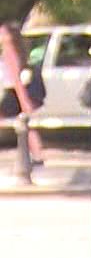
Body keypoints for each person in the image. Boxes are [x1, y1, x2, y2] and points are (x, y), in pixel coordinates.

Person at [1, 23, 48, 166]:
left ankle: (37, 154)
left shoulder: (9, 52)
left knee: (26, 126)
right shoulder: (18, 50)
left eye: (3, 33)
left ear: (9, 36)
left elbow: (16, 78)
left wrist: (24, 100)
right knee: (27, 127)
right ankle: (38, 154)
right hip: (16, 93)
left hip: (14, 93)